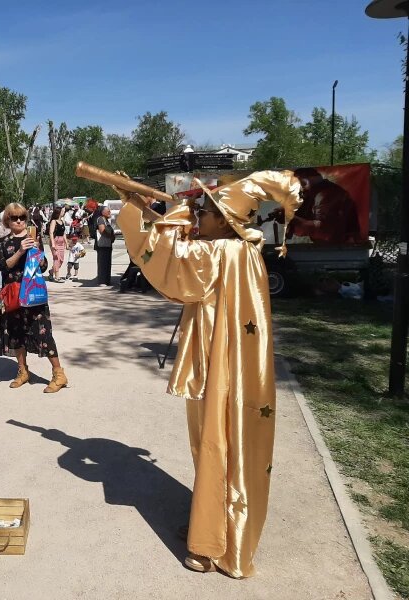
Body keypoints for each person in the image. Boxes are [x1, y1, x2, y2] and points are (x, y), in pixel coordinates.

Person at [117, 169, 302, 578]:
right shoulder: (242, 250)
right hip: (232, 365)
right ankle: (210, 520)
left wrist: (146, 208)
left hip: (222, 370)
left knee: (217, 442)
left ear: (225, 220)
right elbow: (178, 256)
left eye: (205, 211)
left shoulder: (219, 253)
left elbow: (167, 258)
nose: (199, 215)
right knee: (215, 444)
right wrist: (143, 205)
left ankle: (213, 545)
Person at [0, 203, 67, 394]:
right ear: (7, 220)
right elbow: (2, 266)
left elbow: (43, 266)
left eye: (22, 217)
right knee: (16, 332)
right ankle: (23, 371)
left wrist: (36, 251)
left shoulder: (33, 238)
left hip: (33, 293)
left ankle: (59, 374)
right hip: (13, 293)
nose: (19, 221)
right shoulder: (3, 242)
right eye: (14, 218)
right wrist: (20, 251)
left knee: (43, 332)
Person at [95, 205, 115, 286]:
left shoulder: (106, 220)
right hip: (102, 245)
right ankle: (102, 281)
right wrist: (111, 237)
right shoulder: (100, 219)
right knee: (103, 263)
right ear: (103, 212)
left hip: (107, 245)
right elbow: (102, 230)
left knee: (107, 263)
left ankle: (107, 280)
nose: (110, 212)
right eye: (108, 211)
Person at [47, 207, 67, 283]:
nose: (63, 212)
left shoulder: (62, 221)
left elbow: (64, 233)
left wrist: (66, 242)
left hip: (61, 241)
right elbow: (51, 233)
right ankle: (57, 277)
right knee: (56, 259)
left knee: (61, 260)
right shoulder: (54, 221)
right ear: (58, 212)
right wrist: (53, 243)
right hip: (55, 241)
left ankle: (52, 271)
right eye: (62, 211)